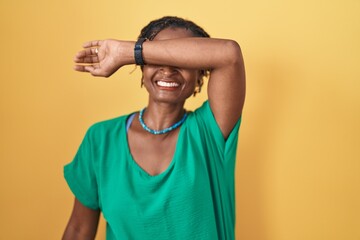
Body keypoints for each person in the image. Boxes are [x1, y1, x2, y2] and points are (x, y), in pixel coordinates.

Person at [63, 16, 246, 240]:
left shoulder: (210, 132)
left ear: (200, 75)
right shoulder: (101, 140)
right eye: (156, 58)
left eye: (183, 60)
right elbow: (79, 230)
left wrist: (125, 52)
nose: (167, 70)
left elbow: (229, 54)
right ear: (142, 68)